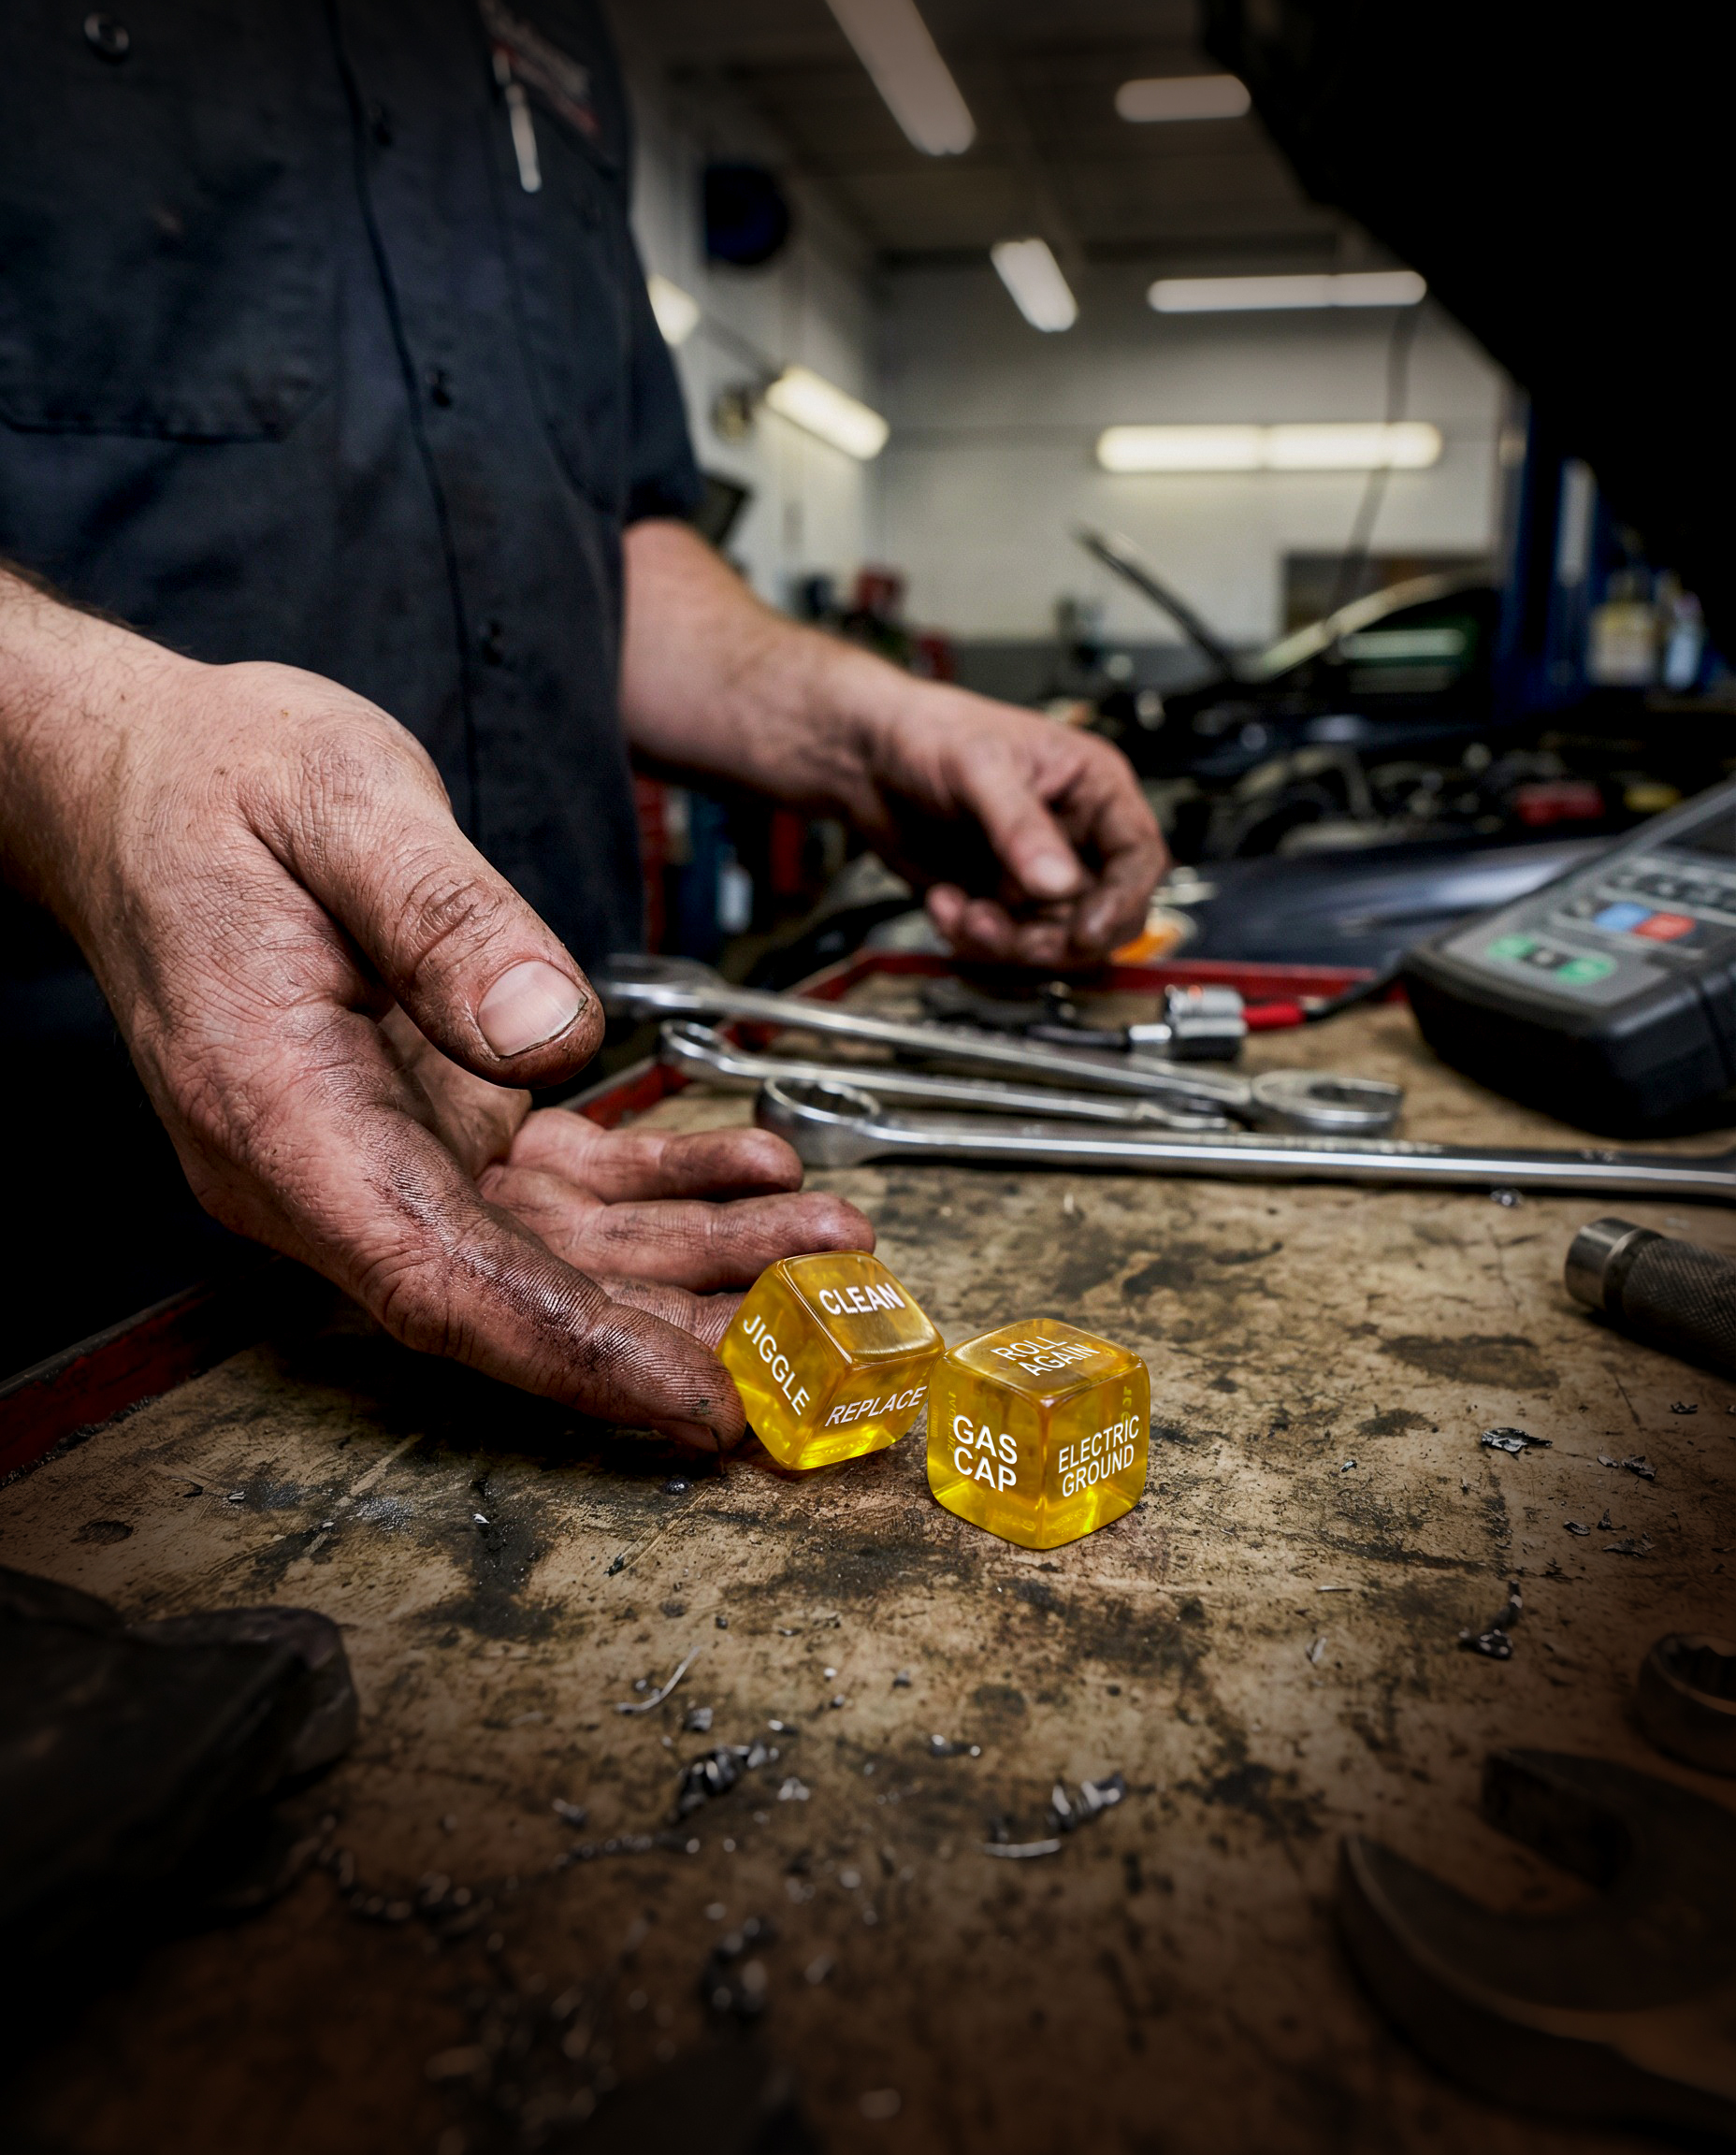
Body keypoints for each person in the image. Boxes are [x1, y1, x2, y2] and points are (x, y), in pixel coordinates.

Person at [0, 1, 1164, 1441]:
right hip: (53, 1229)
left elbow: (601, 540)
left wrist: (863, 724)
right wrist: (92, 752)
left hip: (543, 1135)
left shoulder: (550, 28)